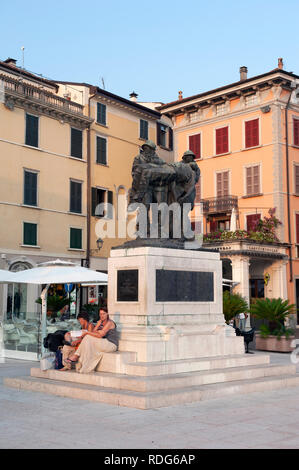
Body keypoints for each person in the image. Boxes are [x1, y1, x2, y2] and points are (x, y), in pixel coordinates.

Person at [66, 308, 118, 374]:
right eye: (100, 314)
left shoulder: (109, 323)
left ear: (107, 314)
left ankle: (76, 356)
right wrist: (98, 325)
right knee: (88, 338)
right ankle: (80, 360)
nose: (102, 316)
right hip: (103, 342)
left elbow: (100, 335)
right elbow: (93, 333)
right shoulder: (101, 322)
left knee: (87, 336)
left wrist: (87, 333)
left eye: (104, 314)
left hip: (111, 344)